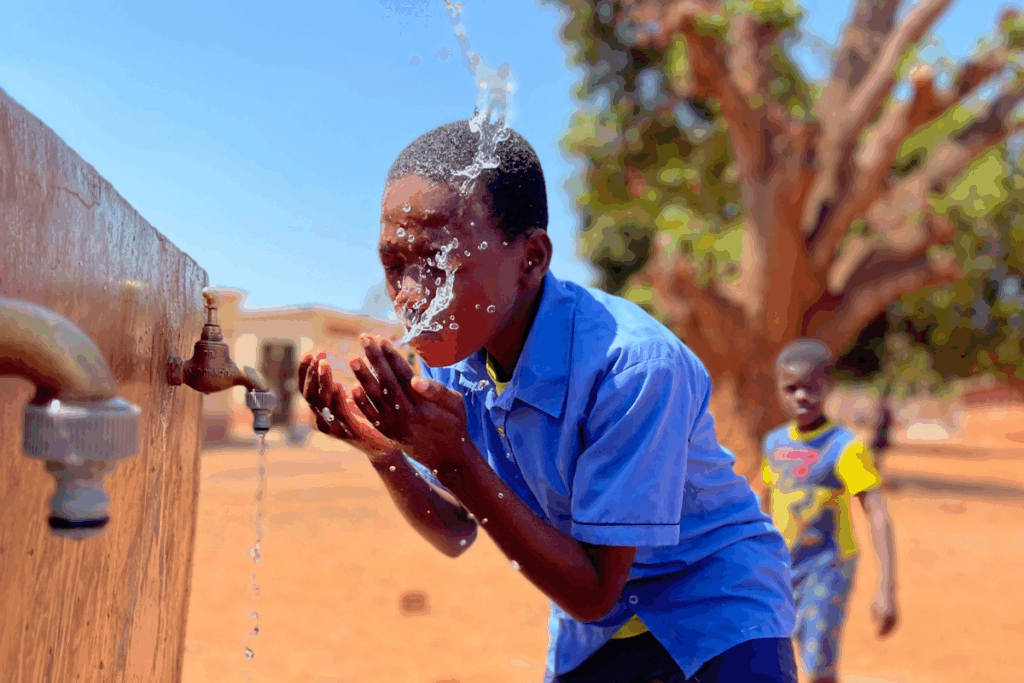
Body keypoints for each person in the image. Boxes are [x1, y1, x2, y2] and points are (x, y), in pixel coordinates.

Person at [299, 120, 797, 682]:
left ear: (531, 259)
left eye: (438, 264)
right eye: (395, 266)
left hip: (716, 612)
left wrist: (456, 459)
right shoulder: (462, 364)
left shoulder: (630, 369)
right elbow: (454, 530)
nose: (411, 295)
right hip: (597, 637)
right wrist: (384, 453)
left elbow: (593, 589)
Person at [760, 339, 899, 683]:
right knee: (772, 656)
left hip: (828, 565)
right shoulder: (774, 444)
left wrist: (886, 589)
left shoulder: (845, 447)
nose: (801, 397)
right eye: (790, 388)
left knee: (819, 663)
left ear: (828, 386)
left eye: (810, 387)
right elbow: (764, 502)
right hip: (781, 569)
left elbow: (877, 512)